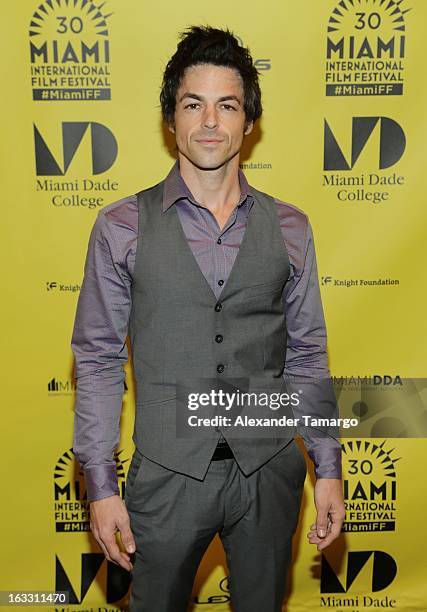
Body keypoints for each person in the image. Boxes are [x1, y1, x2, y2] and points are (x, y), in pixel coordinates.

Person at [71, 25, 345, 612]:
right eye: (194, 104)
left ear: (249, 121)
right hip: (167, 478)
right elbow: (97, 361)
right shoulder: (121, 226)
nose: (211, 122)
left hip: (269, 472)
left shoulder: (292, 228)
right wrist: (100, 486)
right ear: (171, 119)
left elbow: (306, 355)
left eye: (228, 105)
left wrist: (327, 465)